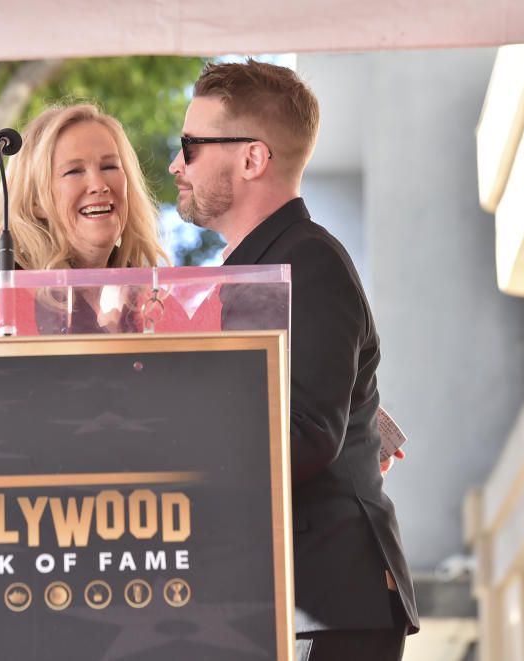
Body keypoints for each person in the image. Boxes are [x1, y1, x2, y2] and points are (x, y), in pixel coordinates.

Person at [169, 59, 419, 659]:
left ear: (252, 158)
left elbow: (307, 433)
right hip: (294, 601)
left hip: (325, 605)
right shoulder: (261, 269)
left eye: (191, 146)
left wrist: (167, 451)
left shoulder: (307, 263)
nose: (177, 165)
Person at [0, 104, 166, 271]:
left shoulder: (148, 296)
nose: (99, 185)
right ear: (35, 201)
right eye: (74, 171)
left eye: (109, 166)